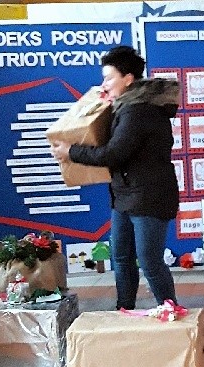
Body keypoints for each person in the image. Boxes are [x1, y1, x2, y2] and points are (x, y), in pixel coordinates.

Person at [50, 46, 180, 310]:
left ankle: (171, 310)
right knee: (121, 257)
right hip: (125, 195)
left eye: (109, 78)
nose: (104, 85)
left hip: (148, 197)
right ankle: (124, 310)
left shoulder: (138, 111)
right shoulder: (124, 106)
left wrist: (71, 151)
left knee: (149, 261)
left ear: (128, 79)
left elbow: (114, 153)